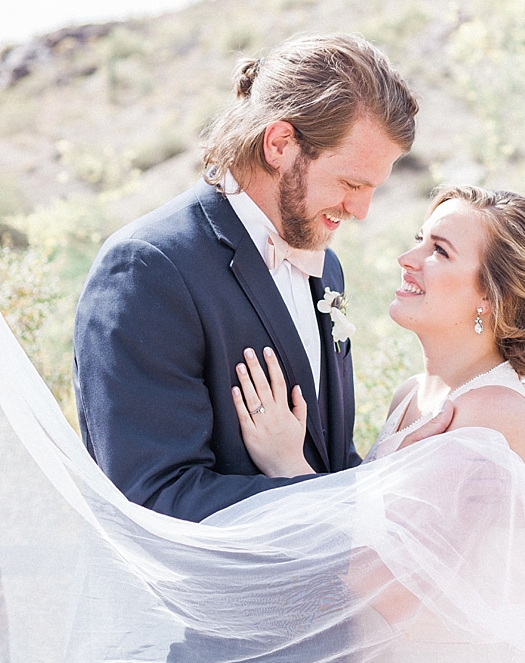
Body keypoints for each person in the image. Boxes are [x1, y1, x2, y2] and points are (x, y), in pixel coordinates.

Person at [0, 186, 525, 661]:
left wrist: (289, 467)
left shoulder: (494, 416)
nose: (409, 258)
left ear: (490, 295)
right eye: (420, 238)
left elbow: (387, 587)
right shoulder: (412, 398)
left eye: (440, 250)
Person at [72, 34, 424, 522]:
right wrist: (320, 505)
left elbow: (330, 456)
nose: (360, 210)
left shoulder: (326, 266)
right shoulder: (148, 268)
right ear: (280, 144)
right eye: (350, 183)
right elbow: (153, 499)